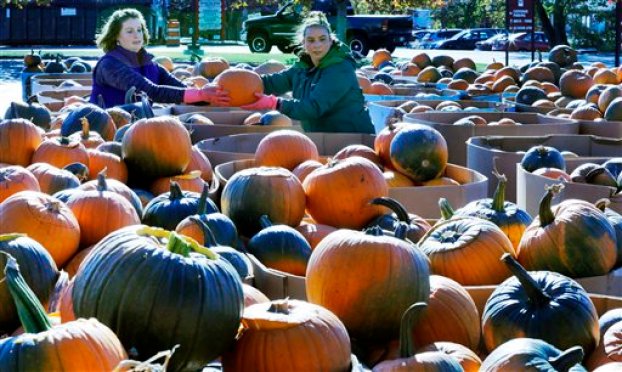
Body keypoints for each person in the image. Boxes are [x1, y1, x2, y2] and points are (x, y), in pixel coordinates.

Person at [242, 11, 374, 134]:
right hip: (322, 138)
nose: (317, 45)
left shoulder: (340, 68)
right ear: (303, 43)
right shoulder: (302, 68)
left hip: (352, 137)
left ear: (330, 40)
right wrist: (242, 85)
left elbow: (314, 107)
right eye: (311, 40)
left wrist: (275, 103)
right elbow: (272, 83)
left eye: (322, 39)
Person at [90, 8, 229, 108]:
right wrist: (200, 94)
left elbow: (178, 87)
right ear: (115, 36)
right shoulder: (110, 64)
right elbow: (151, 92)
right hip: (106, 127)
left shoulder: (149, 63)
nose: (137, 35)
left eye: (139, 30)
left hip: (137, 126)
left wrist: (210, 98)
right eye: (129, 31)